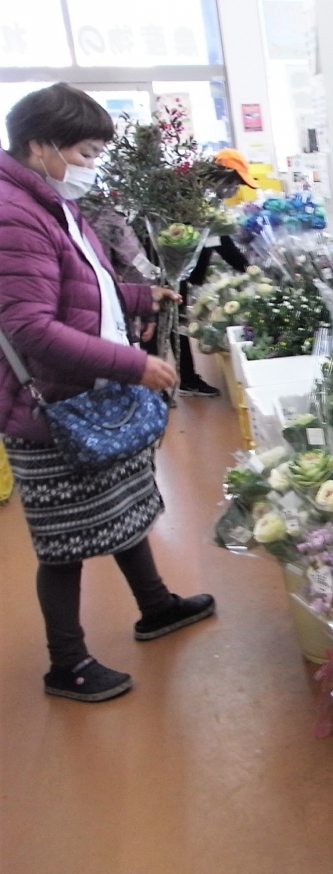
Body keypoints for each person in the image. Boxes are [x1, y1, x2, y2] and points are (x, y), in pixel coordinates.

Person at [0, 83, 215, 703]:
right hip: (51, 407)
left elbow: (83, 282)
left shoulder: (50, 201)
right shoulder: (14, 214)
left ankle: (156, 605)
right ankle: (66, 664)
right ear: (40, 146)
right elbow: (29, 326)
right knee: (62, 542)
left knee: (122, 506)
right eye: (86, 153)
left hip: (88, 394)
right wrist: (133, 364)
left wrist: (143, 297)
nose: (91, 167)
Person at [175, 148, 258, 398]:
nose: (234, 189)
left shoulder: (204, 197)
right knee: (173, 325)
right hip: (173, 269)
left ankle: (185, 378)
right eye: (234, 182)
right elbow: (219, 241)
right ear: (222, 175)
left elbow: (219, 239)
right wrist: (248, 269)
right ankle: (182, 381)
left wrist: (247, 267)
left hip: (183, 270)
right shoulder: (191, 197)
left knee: (177, 324)